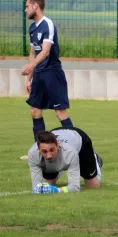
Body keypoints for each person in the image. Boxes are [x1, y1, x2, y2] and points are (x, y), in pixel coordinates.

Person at [21, 0, 74, 145]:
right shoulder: (32, 28)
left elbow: (45, 51)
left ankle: (75, 146)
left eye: (27, 6)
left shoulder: (47, 24)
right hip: (38, 74)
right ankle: (40, 149)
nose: (25, 10)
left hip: (52, 74)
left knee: (60, 112)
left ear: (35, 6)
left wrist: (31, 66)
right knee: (35, 110)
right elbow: (33, 53)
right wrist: (28, 79)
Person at [28, 127, 103, 194]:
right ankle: (59, 167)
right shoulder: (33, 154)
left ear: (57, 145)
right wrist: (43, 188)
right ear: (38, 149)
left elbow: (75, 187)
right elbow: (37, 188)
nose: (49, 155)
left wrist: (57, 190)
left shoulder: (70, 153)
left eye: (52, 150)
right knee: (49, 185)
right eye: (44, 151)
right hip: (56, 133)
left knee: (93, 186)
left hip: (80, 140)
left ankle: (96, 160)